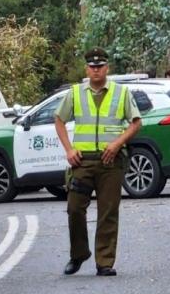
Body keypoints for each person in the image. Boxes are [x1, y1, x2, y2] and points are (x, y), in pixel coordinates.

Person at [54, 48, 142, 277]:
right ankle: (79, 254)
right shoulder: (75, 93)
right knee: (74, 209)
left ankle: (104, 262)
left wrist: (117, 144)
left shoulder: (120, 93)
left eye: (100, 66)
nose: (96, 70)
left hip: (110, 162)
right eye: (92, 67)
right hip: (82, 162)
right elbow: (58, 119)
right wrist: (69, 149)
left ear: (107, 68)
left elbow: (135, 122)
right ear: (87, 69)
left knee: (108, 212)